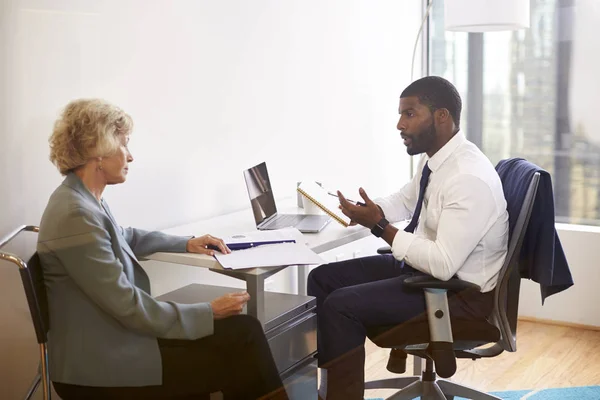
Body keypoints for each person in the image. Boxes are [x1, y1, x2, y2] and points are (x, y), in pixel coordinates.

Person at [37, 99, 287, 399]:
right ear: (97, 151)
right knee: (242, 343)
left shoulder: (82, 200)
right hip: (101, 365)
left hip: (114, 342)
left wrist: (185, 243)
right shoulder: (74, 213)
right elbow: (128, 306)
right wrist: (208, 311)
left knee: (244, 331)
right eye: (123, 144)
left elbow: (124, 237)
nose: (130, 156)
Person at [307, 76, 509, 400]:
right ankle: (325, 390)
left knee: (341, 307)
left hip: (458, 296)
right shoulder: (437, 160)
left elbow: (442, 264)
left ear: (441, 116)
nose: (400, 124)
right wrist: (368, 211)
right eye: (401, 115)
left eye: (409, 114)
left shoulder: (468, 178)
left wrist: (380, 227)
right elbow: (404, 200)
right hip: (425, 273)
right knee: (322, 279)